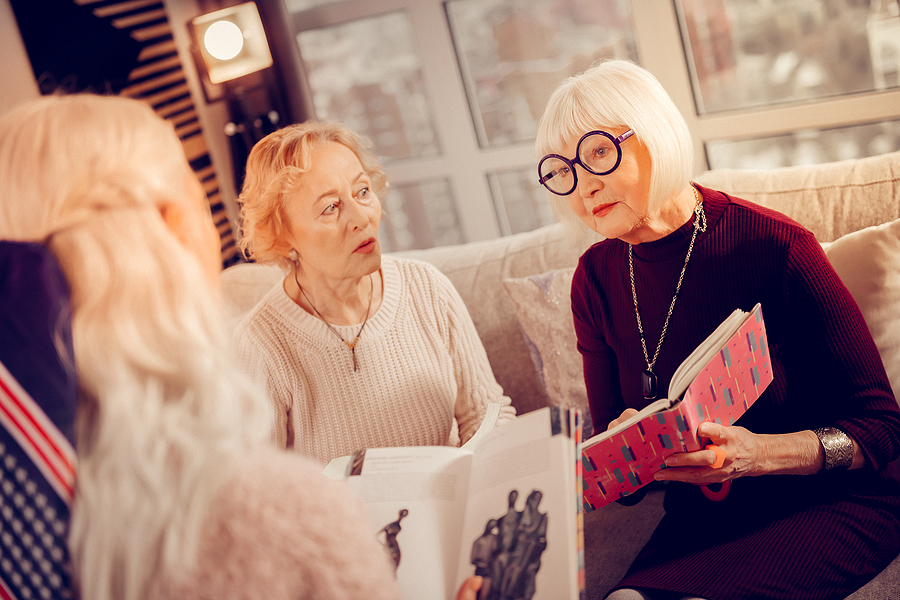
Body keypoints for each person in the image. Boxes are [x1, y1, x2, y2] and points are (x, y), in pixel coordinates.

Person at [0, 94, 485, 600]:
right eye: (194, 192)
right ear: (179, 230)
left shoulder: (35, 516)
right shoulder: (283, 513)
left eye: (363, 191)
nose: (361, 217)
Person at [535, 59, 900, 599]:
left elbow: (882, 429)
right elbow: (625, 490)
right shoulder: (595, 279)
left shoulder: (774, 247)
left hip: (828, 500)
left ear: (654, 132)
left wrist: (758, 455)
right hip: (703, 519)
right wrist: (632, 451)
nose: (583, 184)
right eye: (562, 169)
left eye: (597, 152)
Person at [234, 122, 515, 464]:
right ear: (281, 236)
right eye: (330, 208)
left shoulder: (427, 288)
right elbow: (269, 488)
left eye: (363, 191)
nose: (361, 218)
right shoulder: (259, 345)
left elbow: (487, 415)